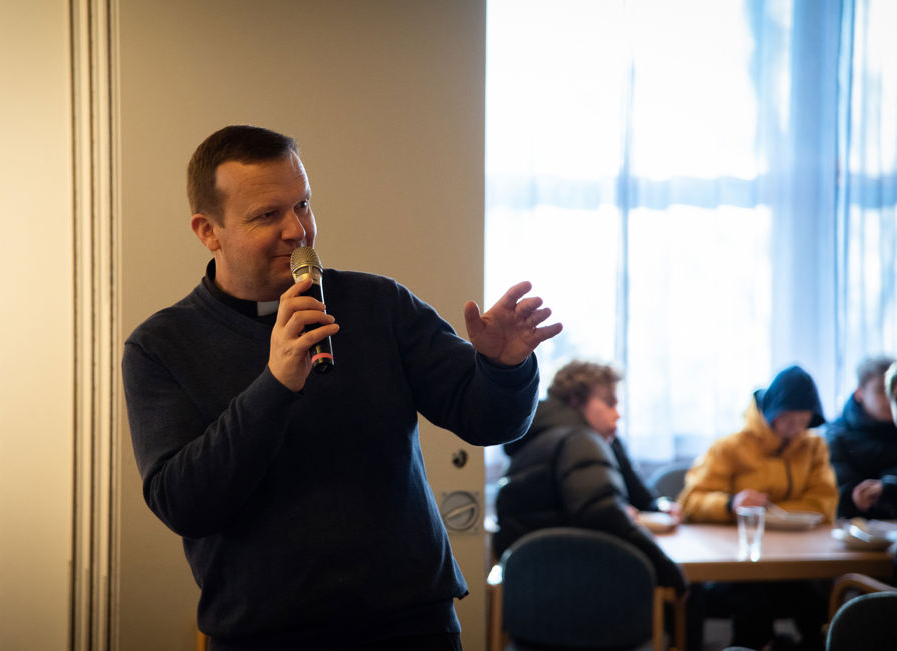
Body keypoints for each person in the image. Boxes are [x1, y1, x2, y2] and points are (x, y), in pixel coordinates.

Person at [121, 125, 562, 651]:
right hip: (265, 634)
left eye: (302, 205)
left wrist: (504, 369)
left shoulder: (379, 305)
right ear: (208, 231)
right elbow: (184, 504)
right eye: (267, 215)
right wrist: (276, 385)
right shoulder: (161, 346)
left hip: (412, 623)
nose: (297, 230)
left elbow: (489, 421)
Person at [493, 360, 688, 596]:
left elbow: (634, 499)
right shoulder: (580, 440)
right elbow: (603, 512)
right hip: (577, 593)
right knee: (688, 592)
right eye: (609, 403)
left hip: (528, 595)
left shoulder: (537, 440)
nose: (617, 414)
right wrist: (666, 569)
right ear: (576, 400)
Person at [678, 365, 838, 651]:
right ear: (769, 412)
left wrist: (775, 512)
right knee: (754, 599)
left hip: (798, 556)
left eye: (803, 421)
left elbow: (825, 501)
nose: (796, 429)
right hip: (739, 560)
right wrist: (731, 503)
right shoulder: (730, 447)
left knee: (819, 602)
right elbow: (690, 502)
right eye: (788, 419)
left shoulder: (814, 447)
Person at [826, 356, 897, 520]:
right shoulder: (836, 435)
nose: (891, 398)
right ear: (860, 393)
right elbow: (840, 499)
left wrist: (888, 489)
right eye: (882, 391)